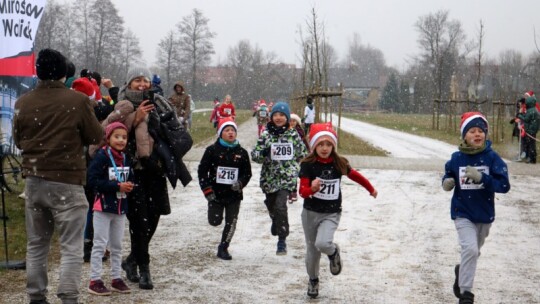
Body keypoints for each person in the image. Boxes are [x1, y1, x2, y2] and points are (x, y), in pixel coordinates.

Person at [13, 48, 103, 304]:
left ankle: (36, 297)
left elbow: (19, 140)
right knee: (71, 247)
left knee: (37, 244)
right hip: (67, 181)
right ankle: (68, 298)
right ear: (64, 72)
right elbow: (96, 136)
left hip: (33, 180)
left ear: (38, 72)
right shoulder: (77, 101)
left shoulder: (23, 102)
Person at [101, 65, 173, 290]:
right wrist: (136, 117)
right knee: (140, 223)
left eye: (145, 80)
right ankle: (144, 270)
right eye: (137, 80)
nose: (142, 84)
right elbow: (106, 132)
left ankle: (131, 260)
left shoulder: (159, 103)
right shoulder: (122, 104)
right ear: (129, 83)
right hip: (133, 172)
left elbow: (172, 130)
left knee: (153, 219)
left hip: (156, 170)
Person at [299, 122, 377, 298]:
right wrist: (311, 188)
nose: (325, 148)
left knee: (323, 243)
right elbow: (302, 192)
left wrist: (370, 188)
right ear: (314, 146)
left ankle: (333, 252)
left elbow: (356, 176)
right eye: (320, 144)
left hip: (331, 213)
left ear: (333, 145)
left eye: (328, 144)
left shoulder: (338, 163)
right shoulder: (308, 165)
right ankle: (313, 280)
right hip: (310, 213)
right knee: (312, 250)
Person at [442, 112, 510, 304]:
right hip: (462, 212)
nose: (477, 134)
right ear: (464, 135)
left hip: (484, 214)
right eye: (472, 131)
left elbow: (504, 185)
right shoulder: (457, 158)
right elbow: (448, 174)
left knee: (473, 252)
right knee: (470, 249)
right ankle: (466, 294)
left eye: (481, 131)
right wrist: (447, 181)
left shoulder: (492, 158)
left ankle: (461, 270)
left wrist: (483, 179)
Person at [251, 101, 307, 255]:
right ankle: (274, 219)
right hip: (269, 178)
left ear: (287, 118)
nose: (278, 117)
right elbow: (254, 155)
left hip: (286, 178)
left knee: (281, 206)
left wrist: (296, 165)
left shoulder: (293, 134)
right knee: (272, 205)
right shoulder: (266, 134)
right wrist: (264, 153)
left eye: (282, 115)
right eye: (275, 114)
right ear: (271, 117)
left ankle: (282, 240)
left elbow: (302, 153)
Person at [87, 122, 134, 296]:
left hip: (120, 208)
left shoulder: (126, 157)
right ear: (108, 138)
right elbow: (92, 181)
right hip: (103, 208)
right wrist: (116, 186)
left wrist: (130, 185)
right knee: (99, 244)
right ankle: (95, 280)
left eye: (124, 137)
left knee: (117, 245)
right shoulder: (102, 156)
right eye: (117, 136)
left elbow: (130, 177)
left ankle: (116, 278)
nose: (121, 140)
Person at [198, 117, 252, 260]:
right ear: (220, 133)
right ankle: (215, 214)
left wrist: (240, 183)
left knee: (232, 222)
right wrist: (207, 190)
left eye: (233, 130)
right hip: (215, 194)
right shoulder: (211, 151)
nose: (230, 133)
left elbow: (247, 173)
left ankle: (223, 247)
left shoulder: (242, 152)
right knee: (214, 221)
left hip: (234, 195)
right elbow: (202, 171)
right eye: (227, 130)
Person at [517, 96, 539, 164]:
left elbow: (526, 119)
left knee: (530, 145)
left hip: (530, 130)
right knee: (532, 145)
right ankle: (532, 158)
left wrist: (519, 114)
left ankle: (531, 158)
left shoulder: (530, 111)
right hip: (533, 130)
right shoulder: (535, 110)